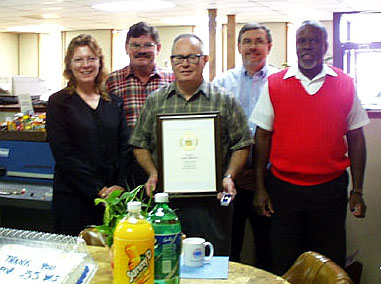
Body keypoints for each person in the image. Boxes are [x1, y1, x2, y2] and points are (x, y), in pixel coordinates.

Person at [250, 20, 369, 275]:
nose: (307, 46)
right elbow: (262, 137)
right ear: (295, 46)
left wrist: (357, 189)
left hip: (329, 191)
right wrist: (260, 188)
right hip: (283, 191)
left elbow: (357, 139)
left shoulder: (345, 84)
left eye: (313, 41)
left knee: (328, 265)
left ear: (325, 46)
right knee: (285, 262)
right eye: (301, 41)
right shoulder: (275, 84)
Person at [130, 33, 252, 255]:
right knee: (167, 260)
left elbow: (242, 144)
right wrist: (153, 173)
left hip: (212, 205)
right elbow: (140, 143)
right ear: (171, 61)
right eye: (178, 58)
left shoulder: (224, 99)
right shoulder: (156, 101)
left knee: (211, 263)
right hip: (166, 204)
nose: (184, 64)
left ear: (204, 60)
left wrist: (229, 176)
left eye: (192, 57)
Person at [46, 34, 132, 236]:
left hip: (114, 199)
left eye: (91, 58)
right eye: (79, 59)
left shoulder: (114, 102)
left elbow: (124, 147)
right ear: (69, 65)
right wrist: (99, 190)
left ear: (100, 62)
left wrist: (118, 185)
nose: (86, 65)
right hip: (73, 198)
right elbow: (64, 154)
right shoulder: (58, 103)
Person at [213, 23, 277, 269]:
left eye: (259, 41)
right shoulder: (222, 83)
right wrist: (236, 172)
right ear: (239, 46)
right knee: (229, 247)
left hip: (270, 179)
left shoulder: (279, 81)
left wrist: (259, 173)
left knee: (268, 246)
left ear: (269, 47)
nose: (253, 47)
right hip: (231, 180)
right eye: (247, 41)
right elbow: (217, 132)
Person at [106, 22, 174, 188]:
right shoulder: (111, 82)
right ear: (126, 48)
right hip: (126, 165)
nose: (141, 50)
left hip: (166, 160)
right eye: (135, 45)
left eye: (147, 45)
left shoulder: (172, 81)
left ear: (158, 48)